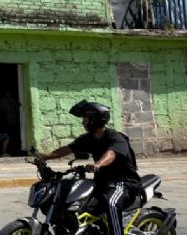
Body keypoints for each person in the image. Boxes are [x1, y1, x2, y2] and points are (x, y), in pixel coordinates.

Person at [42, 100, 139, 235]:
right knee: (76, 204)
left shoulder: (116, 138)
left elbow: (111, 154)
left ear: (95, 120)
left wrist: (97, 164)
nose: (83, 123)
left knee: (111, 204)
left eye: (86, 119)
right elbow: (67, 149)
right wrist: (45, 157)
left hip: (123, 183)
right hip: (102, 183)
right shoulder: (89, 138)